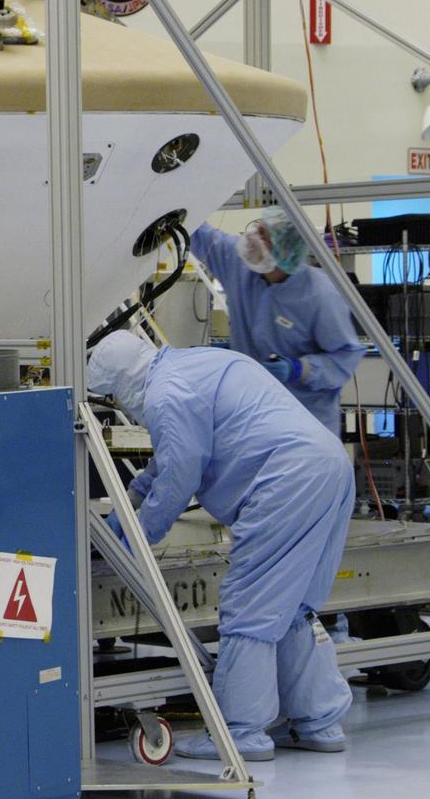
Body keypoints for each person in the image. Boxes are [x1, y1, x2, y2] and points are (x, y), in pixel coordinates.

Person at [89, 331, 354, 761]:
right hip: (328, 466)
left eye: (114, 396)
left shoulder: (164, 395)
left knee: (249, 607)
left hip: (284, 481)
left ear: (124, 383)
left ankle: (240, 732)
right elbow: (170, 461)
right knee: (292, 607)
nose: (120, 406)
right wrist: (130, 502)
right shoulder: (193, 366)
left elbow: (179, 477)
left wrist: (137, 538)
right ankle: (318, 721)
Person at [190, 209, 364, 435]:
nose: (251, 237)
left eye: (263, 235)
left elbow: (345, 357)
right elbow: (202, 235)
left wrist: (299, 369)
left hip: (305, 423)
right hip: (251, 413)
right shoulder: (240, 267)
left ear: (284, 250)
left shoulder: (319, 295)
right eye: (257, 228)